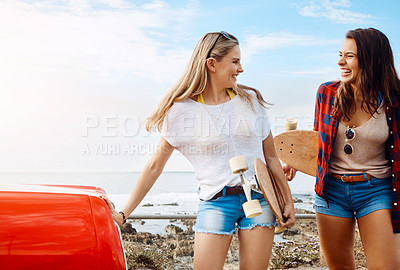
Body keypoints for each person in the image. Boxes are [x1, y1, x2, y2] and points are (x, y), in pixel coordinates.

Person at [104, 31, 295, 270]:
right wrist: (123, 215)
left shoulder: (251, 100)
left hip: (260, 199)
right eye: (235, 61)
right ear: (212, 64)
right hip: (216, 202)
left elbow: (271, 157)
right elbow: (155, 166)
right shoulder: (181, 111)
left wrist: (287, 201)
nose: (241, 68)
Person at [287, 28, 400, 269]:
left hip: (376, 190)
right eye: (340, 54)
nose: (340, 61)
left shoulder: (395, 100)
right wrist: (293, 159)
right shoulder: (326, 93)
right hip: (331, 191)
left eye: (350, 56)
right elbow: (317, 140)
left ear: (375, 59)